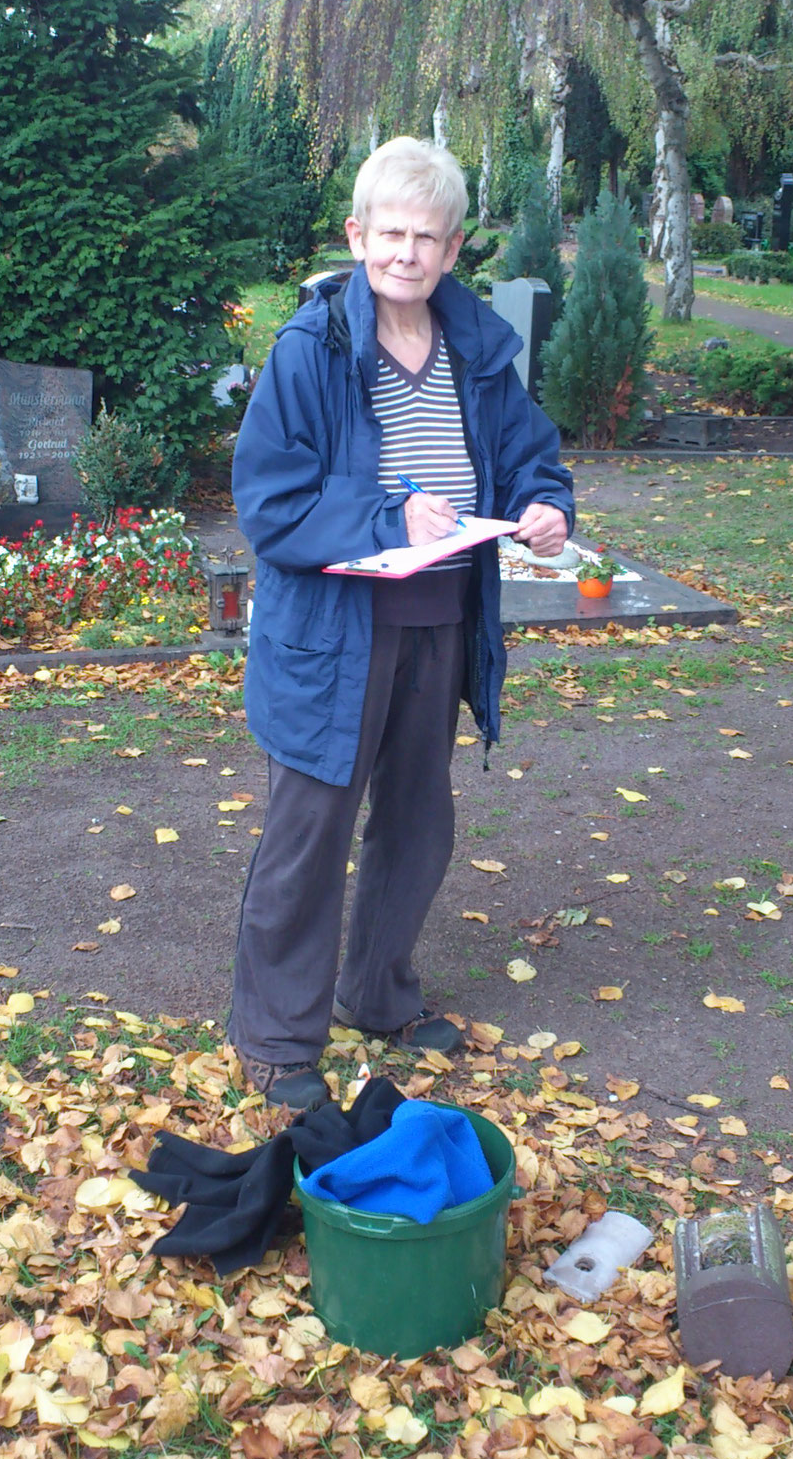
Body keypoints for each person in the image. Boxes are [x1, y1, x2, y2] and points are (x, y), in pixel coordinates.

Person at [227, 137, 575, 1109]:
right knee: (310, 831)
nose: (407, 254)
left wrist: (547, 504)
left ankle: (375, 992)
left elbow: (529, 454)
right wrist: (386, 517)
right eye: (390, 234)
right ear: (357, 234)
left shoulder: (480, 347)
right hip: (333, 632)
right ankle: (279, 1035)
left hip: (443, 615)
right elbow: (269, 499)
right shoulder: (313, 348)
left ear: (455, 247)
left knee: (418, 822)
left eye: (427, 237)